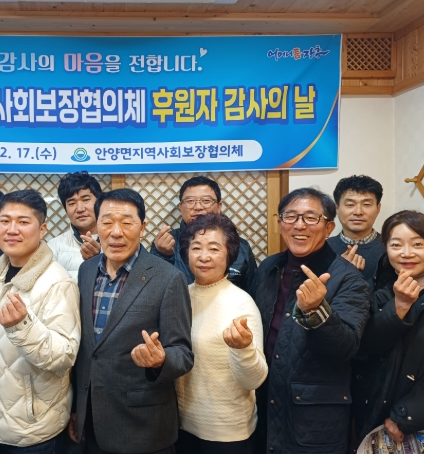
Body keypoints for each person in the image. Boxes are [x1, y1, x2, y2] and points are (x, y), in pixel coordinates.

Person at [69, 188, 193, 454]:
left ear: (142, 227)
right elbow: (88, 350)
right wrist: (77, 407)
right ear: (97, 226)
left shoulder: (168, 278)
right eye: (107, 222)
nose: (116, 232)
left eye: (127, 223)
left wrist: (160, 360)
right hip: (91, 420)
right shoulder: (86, 270)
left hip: (143, 427)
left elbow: (183, 353)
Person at [253, 187, 370, 454]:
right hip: (265, 403)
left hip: (315, 417)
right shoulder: (269, 268)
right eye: (290, 216)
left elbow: (346, 348)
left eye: (310, 217)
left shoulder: (348, 279)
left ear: (329, 228)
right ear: (280, 223)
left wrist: (317, 311)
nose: (299, 225)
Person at [0, 189, 80, 453]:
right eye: (5, 221)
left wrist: (23, 327)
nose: (12, 229)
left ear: (42, 229)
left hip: (34, 429)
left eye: (23, 222)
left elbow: (64, 356)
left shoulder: (58, 282)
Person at [176, 213, 267, 454]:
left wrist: (243, 349)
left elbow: (254, 380)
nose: (204, 256)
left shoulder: (241, 303)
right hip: (182, 425)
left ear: (229, 255)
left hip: (228, 433)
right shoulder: (180, 296)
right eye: (196, 247)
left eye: (214, 249)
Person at [353, 211, 424, 445]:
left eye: (417, 244)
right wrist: (400, 306)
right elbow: (366, 348)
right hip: (373, 422)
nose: (406, 253)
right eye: (396, 245)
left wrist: (407, 415)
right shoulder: (377, 292)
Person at [150, 176, 257, 294]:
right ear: (180, 207)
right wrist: (163, 256)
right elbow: (153, 291)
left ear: (219, 206)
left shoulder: (241, 246)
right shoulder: (165, 243)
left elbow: (252, 293)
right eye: (190, 201)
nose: (198, 207)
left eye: (206, 201)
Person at [329, 175, 385, 291]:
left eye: (366, 205)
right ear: (337, 208)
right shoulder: (323, 248)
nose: (358, 212)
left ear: (378, 208)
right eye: (350, 205)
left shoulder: (391, 248)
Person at [48, 171, 103, 281]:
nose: (80, 209)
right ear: (66, 211)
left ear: (99, 203)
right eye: (72, 203)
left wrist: (100, 258)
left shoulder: (116, 242)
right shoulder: (54, 246)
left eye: (86, 200)